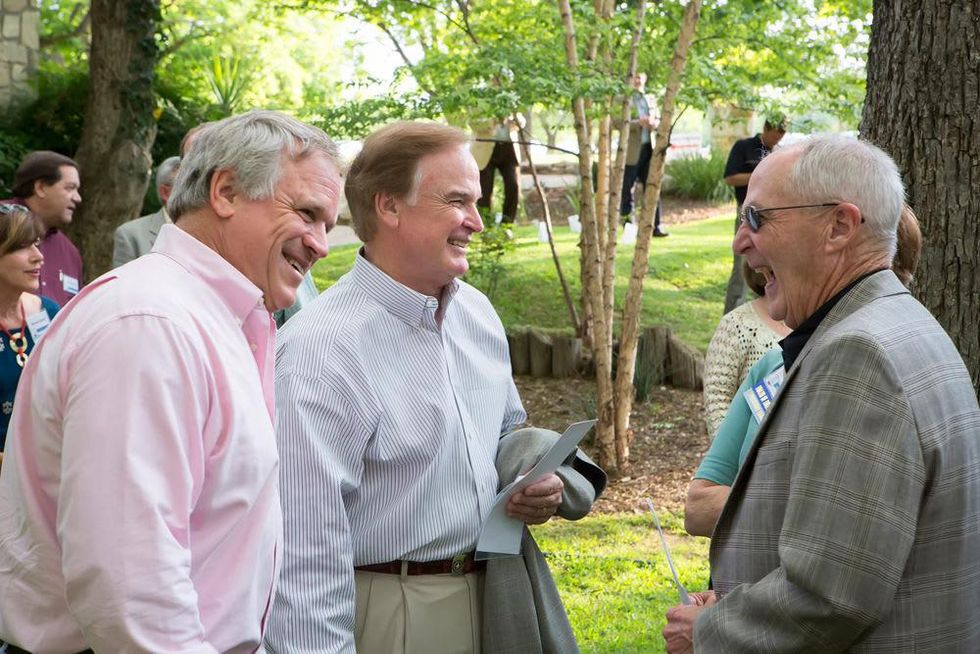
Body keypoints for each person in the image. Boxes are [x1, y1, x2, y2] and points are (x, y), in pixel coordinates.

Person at [0, 110, 343, 652]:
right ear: (226, 191)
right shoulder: (149, 323)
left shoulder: (208, 317)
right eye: (307, 213)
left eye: (327, 222)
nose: (321, 244)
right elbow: (131, 586)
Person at [663, 135, 980, 652]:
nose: (740, 242)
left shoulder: (859, 354)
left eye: (758, 219)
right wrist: (739, 600)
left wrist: (709, 631)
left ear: (839, 227)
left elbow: (829, 597)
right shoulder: (900, 322)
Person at [268, 121, 569, 653]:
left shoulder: (477, 313)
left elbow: (501, 437)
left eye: (476, 202)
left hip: (497, 599)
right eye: (456, 201)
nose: (476, 221)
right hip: (389, 614)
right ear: (389, 207)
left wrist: (527, 483)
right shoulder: (320, 351)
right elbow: (303, 556)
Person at [685, 205, 924, 539]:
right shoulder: (772, 364)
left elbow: (850, 521)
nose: (743, 243)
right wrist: (801, 509)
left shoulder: (884, 372)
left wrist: (746, 505)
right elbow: (697, 508)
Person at [0, 204, 60, 469]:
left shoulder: (48, 312)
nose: (38, 256)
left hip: (47, 470)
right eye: (23, 247)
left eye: (37, 244)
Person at [701, 259, 790, 438]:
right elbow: (717, 399)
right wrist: (736, 457)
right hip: (745, 456)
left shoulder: (820, 323)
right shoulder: (737, 325)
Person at [721, 117, 786, 313]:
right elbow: (730, 178)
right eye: (777, 133)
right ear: (766, 128)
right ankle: (733, 312)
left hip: (773, 215)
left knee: (770, 264)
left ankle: (764, 310)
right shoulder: (744, 147)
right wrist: (763, 173)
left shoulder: (779, 153)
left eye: (783, 134)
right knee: (743, 264)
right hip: (747, 212)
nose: (779, 138)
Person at [3, 151, 83, 306]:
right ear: (41, 187)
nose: (77, 198)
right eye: (70, 188)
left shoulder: (70, 253)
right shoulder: (2, 222)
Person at [111, 155, 181, 268]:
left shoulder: (204, 233)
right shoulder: (131, 235)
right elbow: (125, 284)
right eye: (185, 186)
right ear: (165, 193)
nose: (193, 192)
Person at [619, 72, 667, 236]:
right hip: (631, 151)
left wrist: (654, 123)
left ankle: (655, 226)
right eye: (634, 77)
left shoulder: (650, 98)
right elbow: (616, 122)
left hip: (649, 149)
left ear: (645, 79)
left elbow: (659, 119)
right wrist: (637, 123)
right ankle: (628, 227)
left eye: (640, 77)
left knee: (652, 187)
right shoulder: (623, 98)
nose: (637, 81)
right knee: (627, 189)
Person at [473, 116, 522, 223]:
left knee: (513, 185)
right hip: (485, 151)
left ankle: (507, 224)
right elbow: (473, 123)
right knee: (484, 191)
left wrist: (513, 120)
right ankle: (485, 226)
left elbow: (521, 122)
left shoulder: (509, 102)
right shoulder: (479, 101)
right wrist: (493, 121)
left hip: (509, 149)